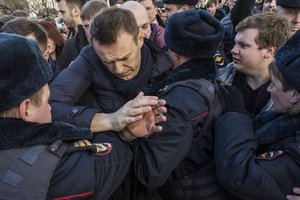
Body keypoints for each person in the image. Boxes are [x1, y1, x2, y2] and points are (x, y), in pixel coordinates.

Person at [0, 33, 132, 199]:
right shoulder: (59, 167)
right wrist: (123, 131)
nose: (50, 108)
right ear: (26, 109)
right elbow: (117, 159)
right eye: (46, 101)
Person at [132, 9, 229, 199]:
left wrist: (129, 136)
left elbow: (150, 172)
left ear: (176, 54)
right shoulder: (213, 83)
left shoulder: (177, 102)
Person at [49, 7, 172, 133]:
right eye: (107, 61)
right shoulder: (89, 58)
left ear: (140, 38)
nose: (118, 69)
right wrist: (110, 120)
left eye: (125, 58)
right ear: (94, 48)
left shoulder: (167, 64)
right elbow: (49, 107)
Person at [214, 29, 300, 200]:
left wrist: (235, 116)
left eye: (274, 85)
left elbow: (240, 175)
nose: (269, 89)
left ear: (295, 96)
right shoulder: (282, 120)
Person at [218, 13, 291, 116]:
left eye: (243, 46)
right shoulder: (217, 80)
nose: (233, 50)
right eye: (235, 44)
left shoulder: (290, 96)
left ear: (269, 51)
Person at [55, 0, 89, 69]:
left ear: (75, 11)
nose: (60, 17)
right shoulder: (71, 41)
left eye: (62, 12)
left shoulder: (94, 39)